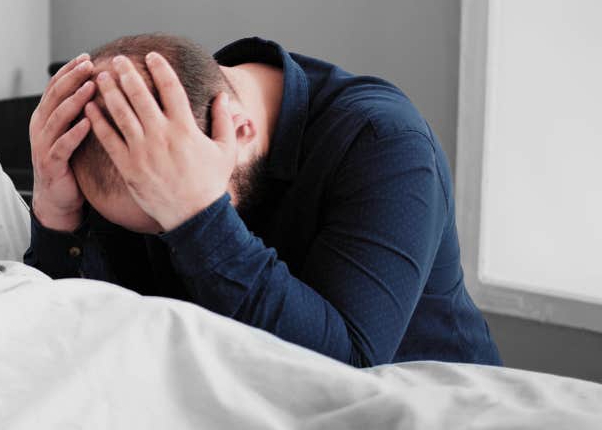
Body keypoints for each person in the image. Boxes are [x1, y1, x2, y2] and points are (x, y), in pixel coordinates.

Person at [25, 33, 502, 368]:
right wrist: (57, 216)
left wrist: (198, 217)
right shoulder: (146, 147)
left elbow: (349, 367)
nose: (167, 241)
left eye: (168, 220)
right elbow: (95, 330)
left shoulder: (385, 143)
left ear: (239, 130)